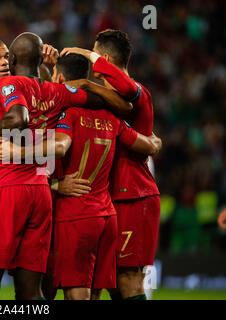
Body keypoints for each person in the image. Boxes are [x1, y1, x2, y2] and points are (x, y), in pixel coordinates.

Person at [0, 32, 132, 300]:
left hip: (7, 186)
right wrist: (90, 86)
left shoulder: (10, 84)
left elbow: (19, 117)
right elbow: (99, 100)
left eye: (5, 57)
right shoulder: (57, 91)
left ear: (13, 59)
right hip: (40, 192)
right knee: (31, 289)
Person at [0, 53, 161, 300]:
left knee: (75, 293)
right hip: (106, 216)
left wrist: (23, 158)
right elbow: (147, 145)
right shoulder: (112, 117)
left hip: (75, 214)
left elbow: (56, 150)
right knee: (97, 292)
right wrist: (155, 141)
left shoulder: (66, 114)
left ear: (61, 78)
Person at [61, 29, 161, 300]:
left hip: (133, 195)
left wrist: (89, 58)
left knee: (128, 279)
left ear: (103, 57)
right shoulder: (106, 102)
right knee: (112, 282)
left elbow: (127, 87)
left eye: (96, 58)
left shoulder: (139, 92)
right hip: (108, 199)